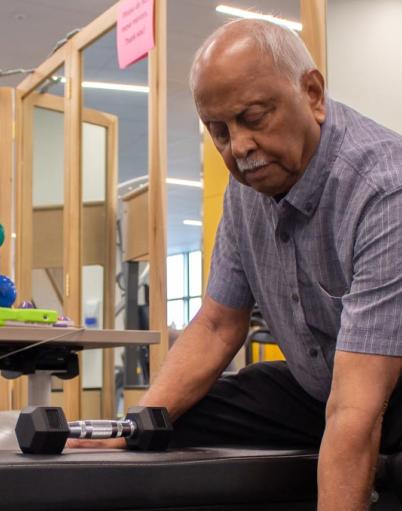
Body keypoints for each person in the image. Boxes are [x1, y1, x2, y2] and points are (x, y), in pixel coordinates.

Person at [72, 19, 402, 510]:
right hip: (325, 388)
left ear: (311, 93)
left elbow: (357, 408)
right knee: (170, 419)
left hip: (387, 391)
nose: (239, 147)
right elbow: (216, 325)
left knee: (354, 419)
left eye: (253, 117)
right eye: (219, 131)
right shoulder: (246, 190)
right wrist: (134, 424)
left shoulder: (382, 187)